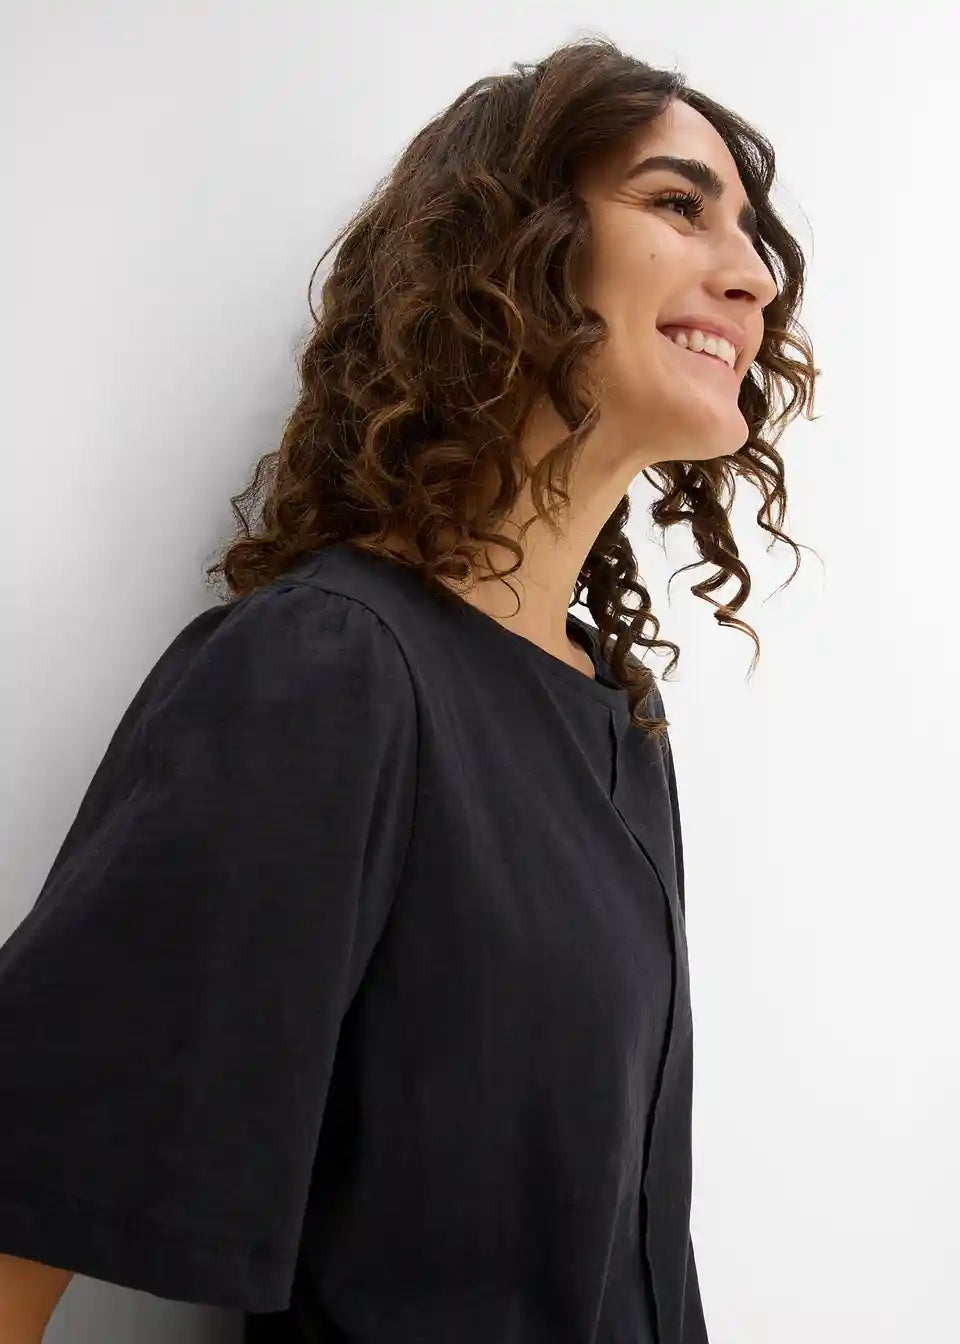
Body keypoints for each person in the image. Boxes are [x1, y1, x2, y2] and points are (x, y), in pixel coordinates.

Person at [0, 35, 817, 1344]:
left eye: (753, 236)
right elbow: (27, 1201)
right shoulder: (330, 672)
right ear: (518, 249)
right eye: (679, 203)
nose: (754, 275)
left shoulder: (614, 715)